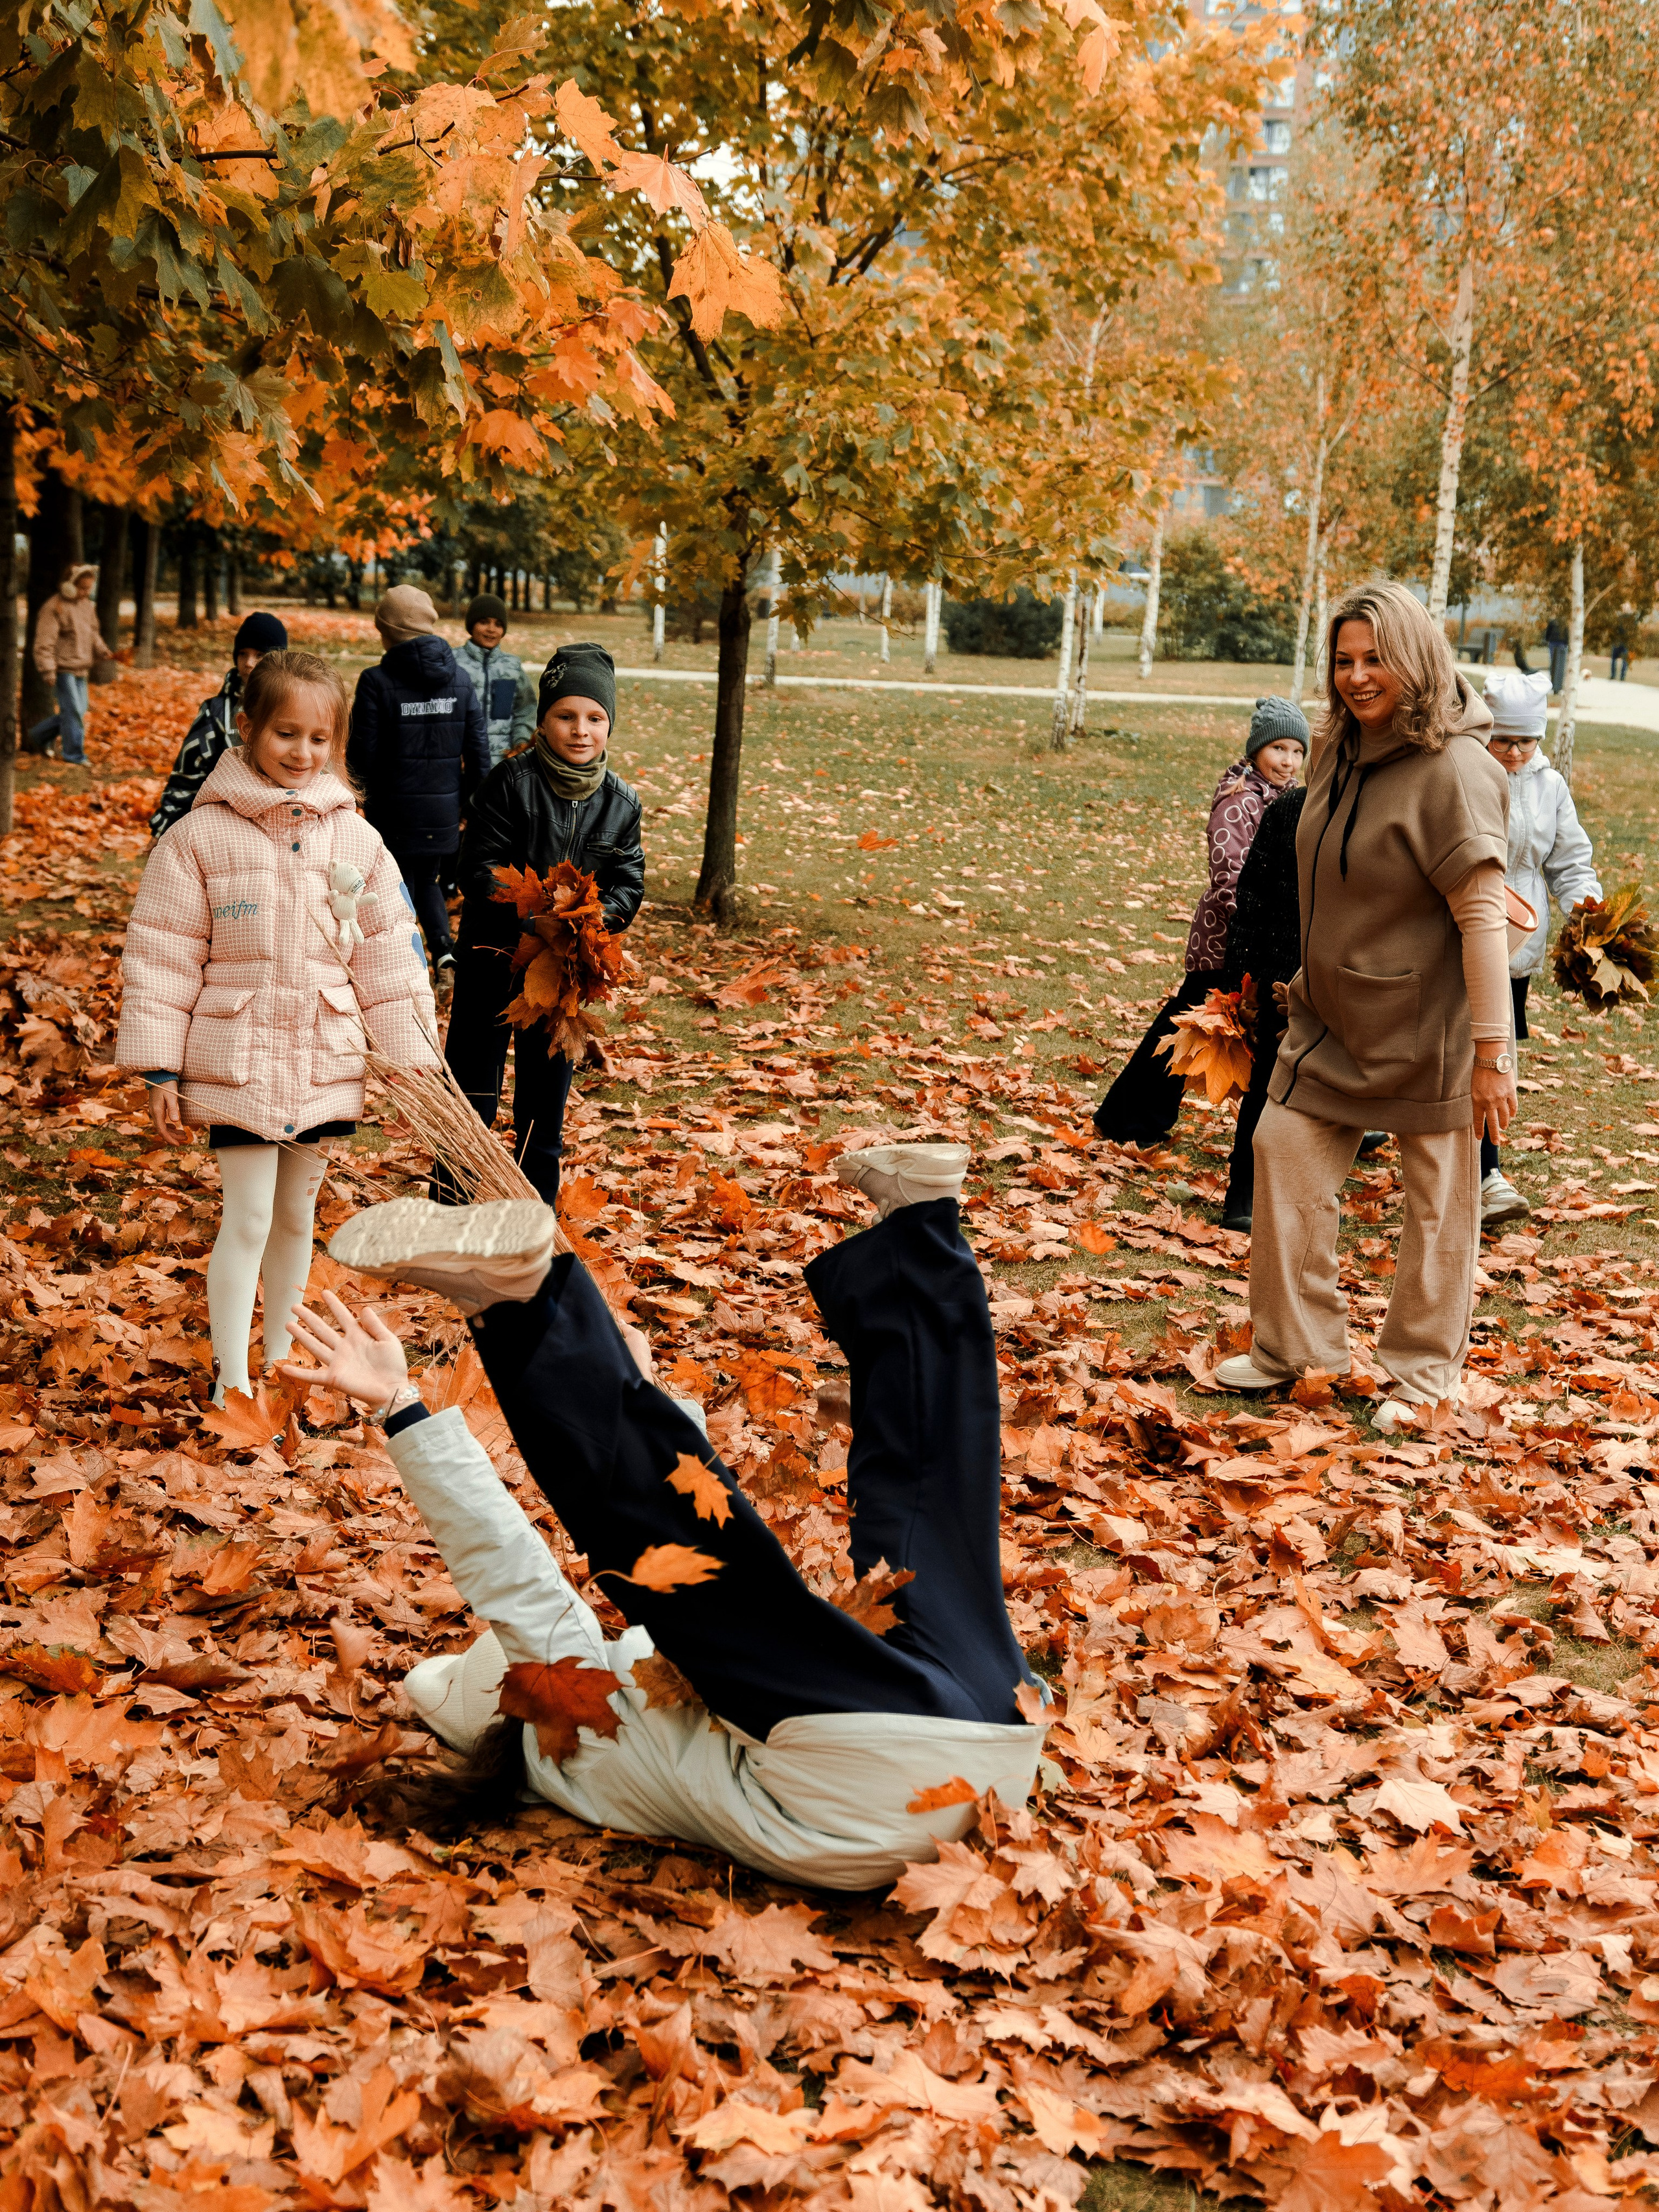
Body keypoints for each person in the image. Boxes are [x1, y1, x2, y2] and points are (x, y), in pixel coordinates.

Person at [276, 1145, 1047, 1890]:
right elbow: (510, 1571)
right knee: (814, 1539)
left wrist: (643, 1393)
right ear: (509, 1701)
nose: (593, 1637)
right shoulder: (566, 1734)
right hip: (870, 1781)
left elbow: (705, 1556)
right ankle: (521, 1307)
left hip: (991, 1750)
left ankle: (920, 1227)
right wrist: (401, 1408)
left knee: (918, 1519)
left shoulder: (628, 1756)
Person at [1215, 580, 1513, 1434]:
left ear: (1416, 658)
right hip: (1331, 1020)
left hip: (1430, 1029)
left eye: (1375, 658)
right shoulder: (1337, 753)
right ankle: (1295, 1348)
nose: (1355, 676)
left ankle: (1421, 1374)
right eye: (1343, 660)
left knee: (1438, 1202)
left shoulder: (1456, 771)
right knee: (1281, 1147)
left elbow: (1483, 919)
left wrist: (1493, 1055)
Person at [115, 649, 438, 1404]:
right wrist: (162, 1069)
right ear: (248, 728)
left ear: (337, 743)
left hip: (325, 1053)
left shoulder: (356, 840)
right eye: (285, 733)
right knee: (251, 1212)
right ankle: (230, 1372)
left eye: (318, 738)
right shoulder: (200, 839)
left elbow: (390, 952)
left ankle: (282, 1351)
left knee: (297, 1213)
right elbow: (164, 954)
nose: (302, 752)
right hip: (238, 1056)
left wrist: (410, 1056)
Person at [442, 644, 644, 1205]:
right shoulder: (509, 783)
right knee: (473, 1090)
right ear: (543, 720)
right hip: (495, 959)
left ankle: (533, 1218)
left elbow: (628, 878)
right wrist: (534, 914)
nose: (581, 731)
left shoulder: (621, 804)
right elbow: (476, 869)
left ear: (609, 724)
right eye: (566, 715)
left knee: (544, 1102)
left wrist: (598, 921)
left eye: (595, 718)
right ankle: (451, 1206)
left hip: (562, 977)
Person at [1093, 698, 1308, 1149]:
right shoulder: (1239, 803)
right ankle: (1128, 1117)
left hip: (1253, 941)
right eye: (1279, 750)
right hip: (1225, 940)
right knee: (1184, 1029)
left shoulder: (1283, 801)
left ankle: (1132, 1114)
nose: (1288, 761)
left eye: (1297, 752)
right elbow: (1230, 874)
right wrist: (1250, 930)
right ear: (1256, 752)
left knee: (1187, 1029)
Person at [1476, 668, 1601, 1228]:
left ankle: (1479, 1167)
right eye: (1503, 738)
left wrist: (1587, 910)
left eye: (1525, 740)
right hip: (1463, 940)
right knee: (1479, 1054)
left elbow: (1569, 861)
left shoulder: (1549, 786)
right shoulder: (1467, 774)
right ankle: (1487, 1175)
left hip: (1516, 950)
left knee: (1492, 1059)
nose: (1514, 751)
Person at [346, 587, 489, 977]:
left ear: (388, 631)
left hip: (392, 810)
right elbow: (479, 751)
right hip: (443, 810)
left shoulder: (376, 681)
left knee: (396, 884)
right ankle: (444, 951)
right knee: (427, 878)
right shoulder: (458, 679)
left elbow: (363, 753)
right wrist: (469, 807)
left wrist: (359, 797)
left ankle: (407, 964)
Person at [148, 612, 290, 839]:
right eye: (242, 654)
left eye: (260, 655)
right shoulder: (216, 712)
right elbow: (188, 774)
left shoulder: (295, 707)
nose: (249, 663)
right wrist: (164, 828)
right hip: (226, 830)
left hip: (286, 827)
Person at [27, 565, 108, 763]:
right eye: (82, 588)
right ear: (69, 586)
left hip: (81, 667)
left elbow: (93, 632)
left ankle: (37, 737)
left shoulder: (86, 606)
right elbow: (44, 642)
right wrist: (47, 669)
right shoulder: (55, 607)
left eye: (89, 588)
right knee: (72, 711)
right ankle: (74, 755)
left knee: (78, 711)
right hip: (63, 669)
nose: (86, 593)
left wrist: (102, 649)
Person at [456, 593, 537, 770]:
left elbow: (526, 710)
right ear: (471, 625)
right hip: (460, 764)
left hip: (502, 765)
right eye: (484, 622)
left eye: (498, 624)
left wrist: (521, 743)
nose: (491, 630)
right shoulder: (454, 664)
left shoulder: (512, 668)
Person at [1544, 616, 1568, 695]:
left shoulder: (1554, 622)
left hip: (1556, 643)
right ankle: (1556, 685)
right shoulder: (1563, 622)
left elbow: (1548, 634)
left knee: (1555, 665)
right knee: (1559, 665)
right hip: (1560, 643)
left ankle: (1555, 685)